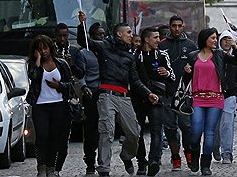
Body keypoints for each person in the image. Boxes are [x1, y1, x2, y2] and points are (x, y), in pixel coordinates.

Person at [78, 10, 160, 177]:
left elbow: (135, 81)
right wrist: (82, 24)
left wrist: (148, 93)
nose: (131, 35)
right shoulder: (104, 47)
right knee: (106, 131)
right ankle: (104, 169)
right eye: (128, 32)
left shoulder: (130, 56)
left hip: (124, 97)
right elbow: (84, 41)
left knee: (134, 132)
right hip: (106, 95)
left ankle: (126, 156)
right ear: (119, 34)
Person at [186, 27, 237, 174]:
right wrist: (186, 72)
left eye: (216, 38)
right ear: (205, 39)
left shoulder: (219, 55)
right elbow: (185, 79)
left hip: (215, 98)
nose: (216, 40)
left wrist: (236, 47)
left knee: (210, 132)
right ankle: (195, 156)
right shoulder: (192, 56)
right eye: (213, 38)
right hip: (197, 97)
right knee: (196, 131)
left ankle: (205, 165)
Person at [27, 35, 76, 177]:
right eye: (39, 49)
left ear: (50, 48)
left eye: (45, 48)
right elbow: (33, 76)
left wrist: (59, 85)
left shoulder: (61, 64)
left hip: (59, 105)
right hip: (40, 105)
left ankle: (51, 168)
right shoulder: (33, 65)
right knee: (42, 136)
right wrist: (37, 61)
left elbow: (70, 85)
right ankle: (41, 167)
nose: (43, 51)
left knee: (55, 137)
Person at [133, 27, 175, 176]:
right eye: (155, 37)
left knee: (156, 130)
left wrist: (167, 72)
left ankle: (154, 161)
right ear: (147, 39)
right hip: (138, 98)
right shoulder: (135, 56)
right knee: (137, 132)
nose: (159, 40)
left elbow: (173, 77)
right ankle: (141, 162)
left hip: (157, 99)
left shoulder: (162, 55)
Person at [159, 15, 198, 171]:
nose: (176, 28)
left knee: (186, 126)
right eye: (173, 25)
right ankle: (175, 156)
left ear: (183, 27)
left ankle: (188, 151)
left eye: (179, 26)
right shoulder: (162, 45)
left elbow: (198, 67)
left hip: (184, 94)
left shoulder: (190, 45)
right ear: (170, 27)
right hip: (167, 93)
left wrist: (191, 71)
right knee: (170, 128)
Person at [78, 22, 104, 175]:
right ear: (92, 36)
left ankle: (103, 162)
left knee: (105, 130)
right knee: (90, 130)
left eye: (103, 34)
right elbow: (81, 73)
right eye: (99, 34)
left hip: (106, 93)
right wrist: (83, 87)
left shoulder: (106, 50)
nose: (102, 37)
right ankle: (89, 161)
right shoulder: (83, 53)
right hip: (91, 93)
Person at [213, 31, 237, 164]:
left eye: (229, 39)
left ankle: (227, 153)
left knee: (227, 125)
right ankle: (214, 147)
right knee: (214, 126)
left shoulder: (235, 56)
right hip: (214, 94)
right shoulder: (214, 55)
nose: (226, 42)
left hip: (230, 94)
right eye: (224, 39)